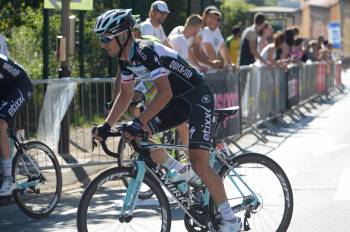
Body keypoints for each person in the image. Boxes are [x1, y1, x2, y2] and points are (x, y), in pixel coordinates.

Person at [93, 9, 242, 231]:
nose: (102, 44)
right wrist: (106, 125)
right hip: (176, 102)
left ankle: (230, 220)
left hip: (196, 96)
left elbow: (164, 93)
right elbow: (125, 95)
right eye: (100, 40)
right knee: (136, 136)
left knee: (199, 161)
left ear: (122, 36)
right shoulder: (125, 59)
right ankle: (181, 172)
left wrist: (139, 119)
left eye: (105, 39)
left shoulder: (145, 52)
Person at [0, 54, 33, 196]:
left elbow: (18, 77)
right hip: (4, 91)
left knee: (0, 125)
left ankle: (9, 178)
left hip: (21, 87)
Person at [200, 7, 234, 72]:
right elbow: (210, 52)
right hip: (205, 71)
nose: (216, 21)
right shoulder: (204, 31)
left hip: (212, 71)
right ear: (205, 18)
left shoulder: (217, 31)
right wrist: (222, 67)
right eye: (212, 17)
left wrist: (230, 64)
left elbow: (223, 48)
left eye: (218, 19)